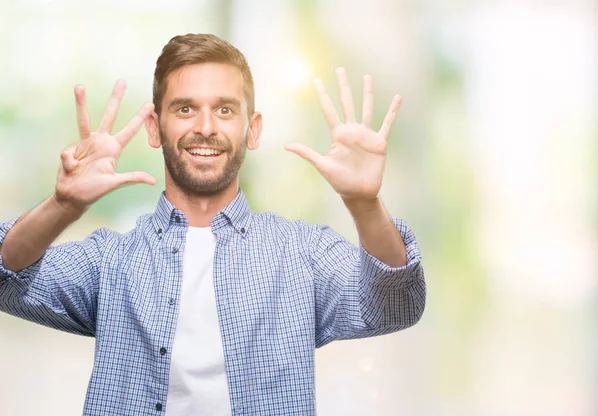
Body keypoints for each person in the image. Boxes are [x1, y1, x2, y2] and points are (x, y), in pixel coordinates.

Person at [0, 33, 425, 416]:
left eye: (224, 109)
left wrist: (364, 203)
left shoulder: (303, 254)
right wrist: (62, 205)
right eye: (185, 109)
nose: (205, 128)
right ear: (155, 127)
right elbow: (7, 277)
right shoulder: (109, 262)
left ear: (251, 130)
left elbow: (396, 305)